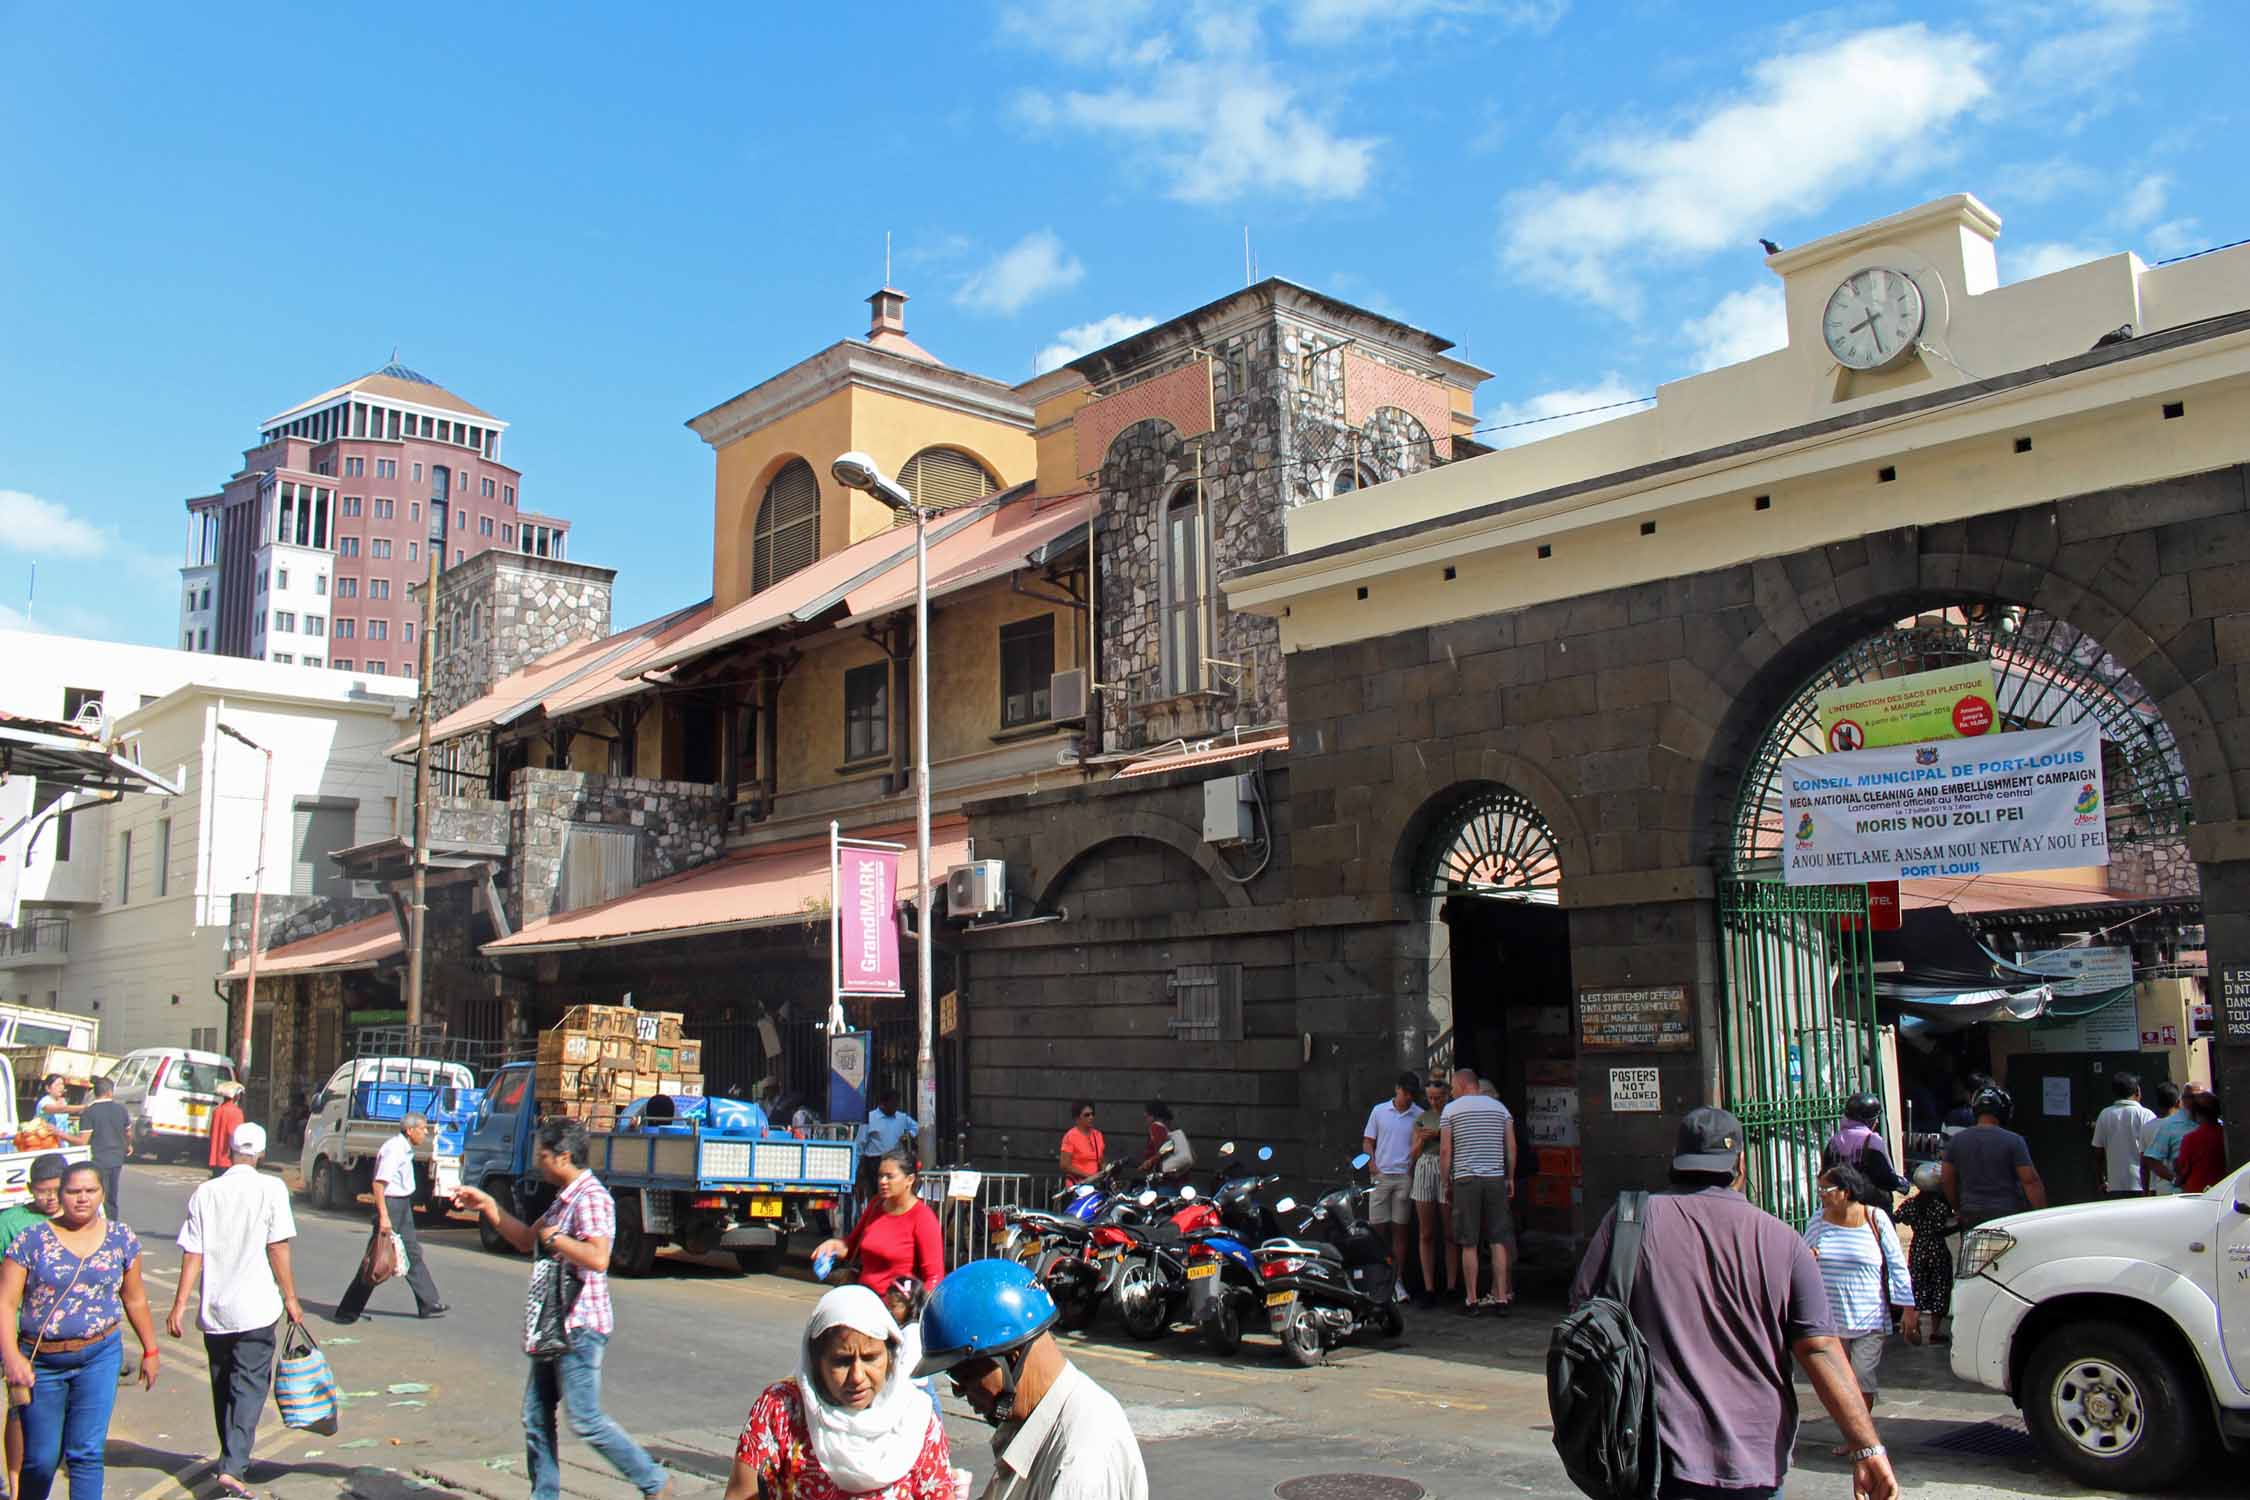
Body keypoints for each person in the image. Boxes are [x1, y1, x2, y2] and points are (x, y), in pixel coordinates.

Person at [1569, 1107, 1898, 1500]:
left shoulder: (1628, 1223)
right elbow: (1821, 1349)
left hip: (1654, 1457)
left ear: (1677, 1160)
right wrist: (1867, 1448)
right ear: (1740, 1165)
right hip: (1754, 1461)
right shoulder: (1783, 1241)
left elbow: (1584, 1316)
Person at [453, 1118, 673, 1500]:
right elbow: (524, 1239)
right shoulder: (564, 1198)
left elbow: (599, 1257)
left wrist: (556, 1239)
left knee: (585, 1419)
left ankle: (654, 1482)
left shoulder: (590, 1198)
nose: (538, 1162)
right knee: (535, 1416)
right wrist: (487, 1204)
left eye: (543, 1155)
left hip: (580, 1326)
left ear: (564, 1156)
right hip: (552, 1323)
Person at [914, 1259, 1147, 1500]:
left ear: (1012, 1357)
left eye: (964, 1376)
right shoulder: (1036, 1420)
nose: (960, 1393)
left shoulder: (1080, 1464)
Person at [0, 1162, 162, 1500]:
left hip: (99, 1357)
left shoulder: (121, 1238)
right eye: (74, 1191)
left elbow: (134, 1299)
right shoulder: (32, 1240)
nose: (82, 1198)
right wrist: (11, 1356)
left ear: (102, 1194)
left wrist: (150, 1349)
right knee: (41, 1460)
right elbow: (5, 1302)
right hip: (42, 1363)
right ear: (61, 1195)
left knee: (86, 1453)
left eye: (90, 1191)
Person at [166, 1122, 304, 1498]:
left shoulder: (206, 1192)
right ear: (261, 1154)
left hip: (216, 1309)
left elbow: (191, 1251)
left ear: (228, 1152)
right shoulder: (272, 1188)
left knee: (223, 1384)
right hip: (257, 1306)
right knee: (250, 1386)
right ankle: (233, 1464)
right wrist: (290, 1297)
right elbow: (278, 1247)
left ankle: (231, 1456)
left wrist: (179, 1305)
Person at [727, 1285, 954, 1500]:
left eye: (870, 1358)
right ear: (816, 1362)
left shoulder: (917, 1419)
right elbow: (742, 1494)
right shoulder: (782, 1409)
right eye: (842, 1361)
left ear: (890, 1356)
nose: (857, 1376)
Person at [1803, 1160, 1916, 1451]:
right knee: (1840, 1381)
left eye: (1826, 1189)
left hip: (1870, 1317)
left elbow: (1897, 1265)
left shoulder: (1875, 1219)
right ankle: (1853, 1436)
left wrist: (1908, 1309)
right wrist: (1810, 1256)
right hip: (1830, 1319)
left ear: (1846, 1191)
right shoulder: (1818, 1220)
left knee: (1862, 1377)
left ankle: (1859, 1438)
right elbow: (1801, 1257)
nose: (1822, 1195)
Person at [331, 1112, 447, 1322]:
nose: (426, 1132)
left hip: (402, 1205)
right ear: (410, 1130)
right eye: (422, 1128)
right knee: (376, 1258)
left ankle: (428, 1302)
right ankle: (348, 1310)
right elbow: (378, 1183)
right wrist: (384, 1216)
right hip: (391, 1205)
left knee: (412, 1252)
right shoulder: (394, 1149)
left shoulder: (405, 1148)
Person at [0, 1156, 66, 1500]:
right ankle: (15, 1489)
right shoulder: (11, 1223)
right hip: (20, 1335)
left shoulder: (81, 1218)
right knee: (19, 1411)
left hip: (67, 1339)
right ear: (29, 1190)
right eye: (43, 1192)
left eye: (57, 1191)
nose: (51, 1199)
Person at [813, 1150, 944, 1299]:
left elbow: (934, 1278)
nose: (882, 1181)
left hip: (896, 1312)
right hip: (864, 1303)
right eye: (880, 1176)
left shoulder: (923, 1218)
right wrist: (833, 1246)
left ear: (910, 1179)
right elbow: (851, 1246)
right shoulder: (876, 1204)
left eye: (890, 1176)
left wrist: (913, 1311)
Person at [1439, 1067, 1515, 1315]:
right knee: (1498, 1240)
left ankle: (1471, 1300)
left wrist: (1445, 1181)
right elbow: (1510, 1146)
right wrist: (1510, 1176)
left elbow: (1446, 1151)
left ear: (1463, 1085)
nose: (1450, 1091)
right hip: (1495, 1178)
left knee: (1468, 1242)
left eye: (1452, 1087)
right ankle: (1502, 1297)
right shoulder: (1500, 1109)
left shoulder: (1451, 1110)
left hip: (1466, 1179)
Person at [1941, 1086, 2047, 1231]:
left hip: (1970, 1214)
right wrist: (2041, 1214)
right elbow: (2030, 1181)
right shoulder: (2014, 1141)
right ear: (2004, 1111)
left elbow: (1947, 1179)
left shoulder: (1956, 1141)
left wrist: (1958, 1209)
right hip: (2006, 1215)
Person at [1361, 1072, 1422, 1300]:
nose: (1407, 1098)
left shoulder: (1418, 1114)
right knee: (1377, 1228)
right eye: (1404, 1092)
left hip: (1403, 1176)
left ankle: (1397, 1280)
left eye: (1411, 1094)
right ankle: (1378, 1277)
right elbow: (1368, 1141)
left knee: (1400, 1229)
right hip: (1382, 1175)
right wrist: (1373, 1164)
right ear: (1397, 1089)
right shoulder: (1379, 1111)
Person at [1892, 1161, 1956, 1345]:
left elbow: (1897, 1217)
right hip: (1937, 1249)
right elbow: (1946, 1226)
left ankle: (1914, 1324)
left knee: (1918, 1286)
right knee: (1940, 1287)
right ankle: (1935, 1332)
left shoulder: (1911, 1204)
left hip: (1918, 1247)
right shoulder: (1941, 1206)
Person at [1408, 1074, 1454, 1309]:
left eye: (1438, 1098)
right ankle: (1428, 1286)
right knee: (1426, 1232)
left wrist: (1440, 1136)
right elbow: (1412, 1155)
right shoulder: (1421, 1119)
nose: (1434, 1102)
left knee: (1449, 1231)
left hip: (1445, 1166)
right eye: (1431, 1098)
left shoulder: (1452, 1115)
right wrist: (1421, 1141)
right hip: (1426, 1165)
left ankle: (1452, 1284)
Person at [1824, 1092, 1907, 1205]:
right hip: (1871, 1207)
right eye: (1875, 1118)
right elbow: (1884, 1177)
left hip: (1841, 1205)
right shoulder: (1872, 1141)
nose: (1877, 1122)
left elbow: (1826, 1174)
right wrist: (1900, 1184)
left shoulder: (1834, 1142)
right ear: (1868, 1120)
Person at [2091, 1071, 2155, 1199]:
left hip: (2115, 1186)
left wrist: (2101, 1180)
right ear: (2138, 1091)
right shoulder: (2146, 1115)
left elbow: (2098, 1153)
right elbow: (2155, 1151)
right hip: (2143, 1185)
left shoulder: (2105, 1115)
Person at [78, 1077, 131, 1219]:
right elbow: (128, 1133)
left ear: (95, 1093)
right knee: (111, 1197)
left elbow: (82, 1141)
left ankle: (95, 1224)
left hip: (98, 1160)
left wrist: (59, 1134)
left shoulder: (90, 1112)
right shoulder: (121, 1109)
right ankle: (112, 1225)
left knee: (97, 1195)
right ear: (110, 1092)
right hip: (116, 1160)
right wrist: (128, 1145)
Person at [861, 1090, 919, 1202]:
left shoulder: (902, 1118)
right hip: (875, 1161)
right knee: (877, 1196)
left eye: (897, 1104)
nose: (895, 1108)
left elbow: (917, 1127)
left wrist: (909, 1135)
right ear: (883, 1104)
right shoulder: (870, 1118)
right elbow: (861, 1142)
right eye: (892, 1104)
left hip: (895, 1160)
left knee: (895, 1194)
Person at [2140, 1080, 2195, 1194]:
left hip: (2158, 1188)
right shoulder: (2182, 1125)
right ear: (2179, 1102)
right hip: (2180, 1188)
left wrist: (2145, 1192)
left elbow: (2144, 1165)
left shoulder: (2147, 1128)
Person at [2174, 1090, 2229, 1194]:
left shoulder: (2190, 1139)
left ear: (2196, 1113)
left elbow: (2183, 1171)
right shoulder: (2227, 1136)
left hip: (2198, 1194)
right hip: (2225, 1192)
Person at [1134, 1102, 1192, 1184]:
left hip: (1166, 1179)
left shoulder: (1156, 1127)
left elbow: (1163, 1150)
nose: (1145, 1119)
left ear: (1153, 1116)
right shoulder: (1170, 1127)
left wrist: (1149, 1162)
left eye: (1146, 1116)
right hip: (1180, 1177)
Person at [1057, 1103, 1104, 1186]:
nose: (1091, 1117)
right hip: (1077, 1185)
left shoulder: (1097, 1135)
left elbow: (1101, 1160)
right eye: (1087, 1115)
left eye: (1092, 1114)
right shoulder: (1070, 1136)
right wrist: (1087, 1176)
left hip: (1094, 1185)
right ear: (1077, 1118)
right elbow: (1064, 1165)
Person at [207, 1082, 247, 1178]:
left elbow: (212, 1133)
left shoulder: (217, 1111)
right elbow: (236, 1136)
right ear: (236, 1096)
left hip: (216, 1157)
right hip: (228, 1158)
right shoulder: (237, 1112)